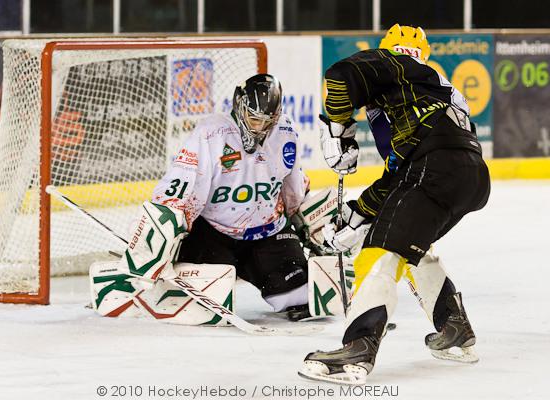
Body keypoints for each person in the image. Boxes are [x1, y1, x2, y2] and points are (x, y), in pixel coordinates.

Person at [299, 24, 491, 384]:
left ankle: (359, 346)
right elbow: (402, 174)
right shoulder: (431, 90)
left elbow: (339, 75)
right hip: (469, 178)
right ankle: (453, 327)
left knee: (381, 250)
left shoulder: (395, 64)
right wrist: (359, 213)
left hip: (435, 169)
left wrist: (337, 129)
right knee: (410, 243)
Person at [151, 73, 312, 321]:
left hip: (267, 232)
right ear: (239, 106)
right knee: (201, 300)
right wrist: (163, 234)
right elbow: (181, 185)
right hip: (215, 234)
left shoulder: (285, 131)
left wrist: (301, 220)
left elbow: (293, 186)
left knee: (298, 294)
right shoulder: (212, 133)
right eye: (254, 119)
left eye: (267, 121)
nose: (260, 128)